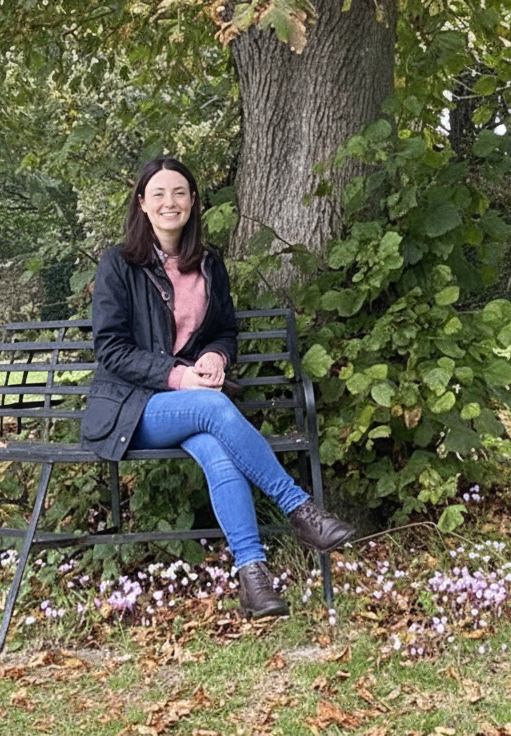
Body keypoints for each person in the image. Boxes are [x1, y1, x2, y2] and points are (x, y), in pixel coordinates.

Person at [81, 157, 356, 619]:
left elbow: (224, 332)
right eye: (160, 194)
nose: (171, 202)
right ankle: (299, 508)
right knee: (212, 407)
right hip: (134, 410)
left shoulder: (209, 263)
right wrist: (181, 377)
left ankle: (254, 580)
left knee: (216, 448)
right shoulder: (119, 264)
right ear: (143, 205)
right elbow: (111, 349)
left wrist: (216, 357)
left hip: (193, 404)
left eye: (180, 193)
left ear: (193, 202)